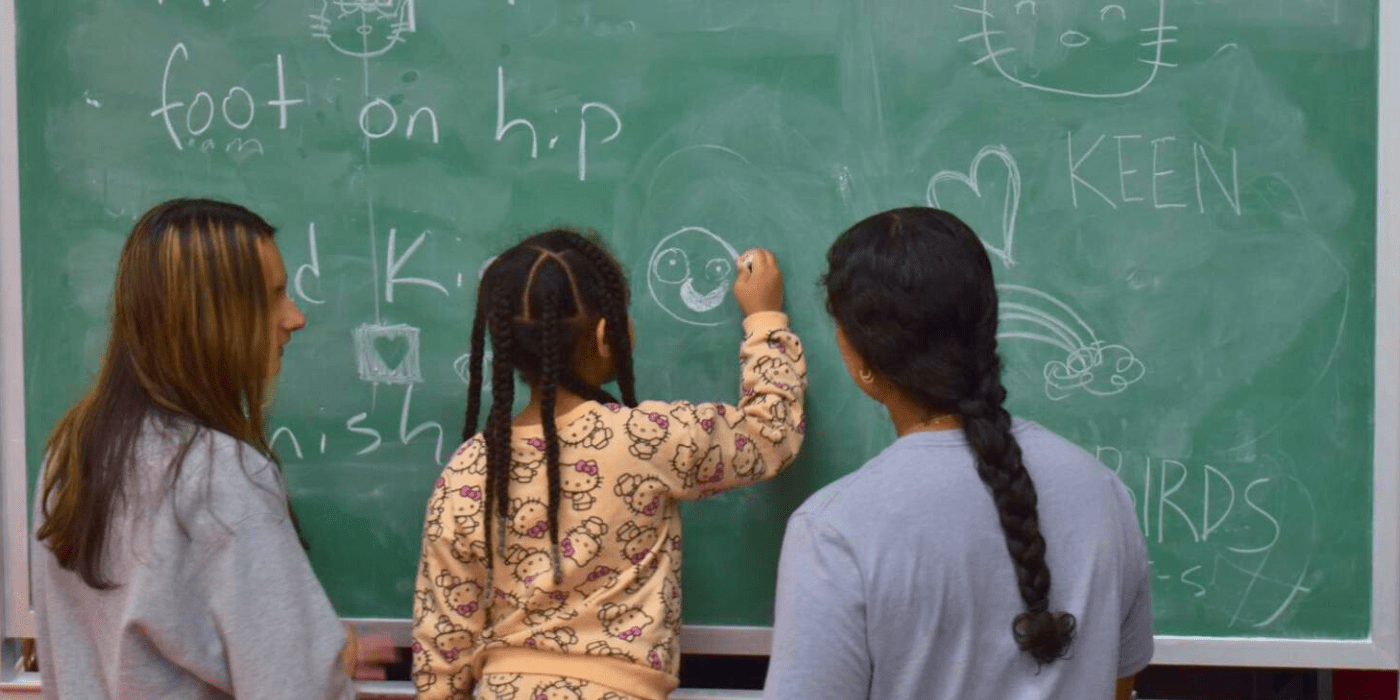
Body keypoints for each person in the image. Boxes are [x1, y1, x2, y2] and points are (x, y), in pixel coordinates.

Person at [763, 207, 1153, 700]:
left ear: (859, 358)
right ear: (987, 327)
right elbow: (1119, 686)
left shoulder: (833, 533)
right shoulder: (1102, 492)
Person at [412, 230, 807, 700]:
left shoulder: (469, 469)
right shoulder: (648, 438)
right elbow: (771, 434)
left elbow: (443, 644)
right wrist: (764, 319)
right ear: (606, 335)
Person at [33, 198, 390, 699]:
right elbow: (293, 687)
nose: (296, 318)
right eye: (274, 296)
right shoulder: (218, 470)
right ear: (212, 317)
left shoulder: (75, 452)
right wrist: (315, 655)